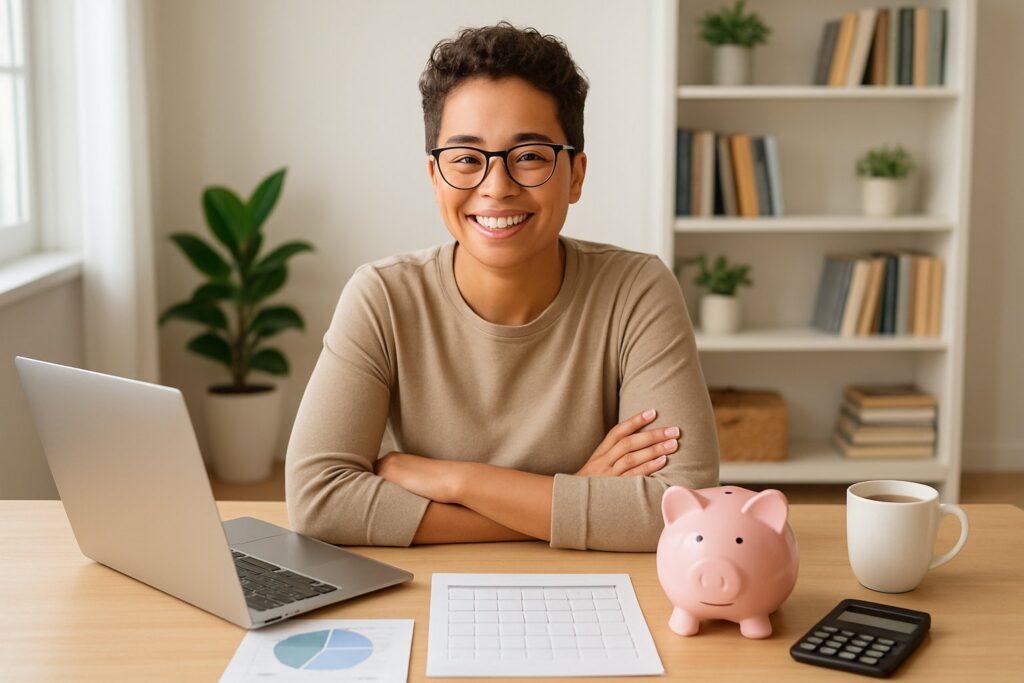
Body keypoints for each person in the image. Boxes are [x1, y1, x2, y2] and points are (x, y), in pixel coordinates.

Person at [285, 21, 718, 552]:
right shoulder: (383, 297)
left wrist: (457, 482)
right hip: (432, 590)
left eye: (530, 156)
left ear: (575, 175)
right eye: (466, 159)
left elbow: (683, 505)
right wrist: (576, 494)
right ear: (434, 177)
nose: (496, 187)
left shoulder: (637, 290)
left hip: (596, 591)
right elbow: (318, 499)